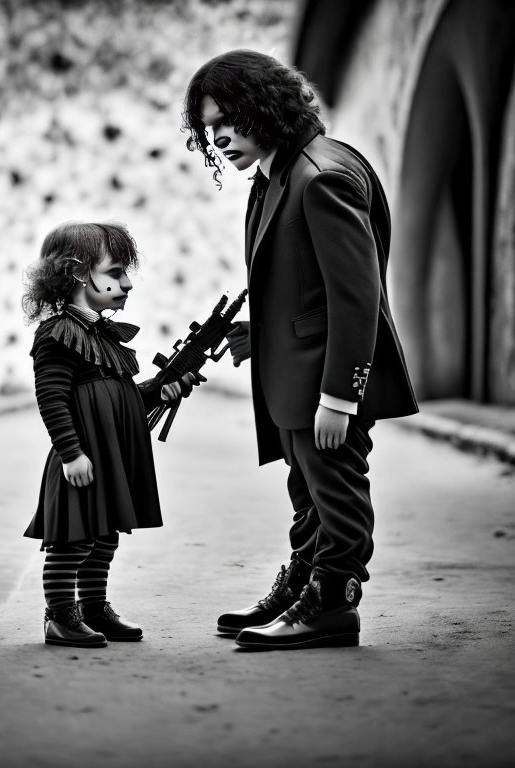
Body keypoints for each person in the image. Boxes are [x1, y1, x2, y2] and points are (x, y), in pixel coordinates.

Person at [182, 50, 418, 650]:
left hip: (323, 384)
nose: (220, 136)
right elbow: (302, 281)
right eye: (210, 128)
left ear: (265, 105)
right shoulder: (280, 171)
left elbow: (356, 298)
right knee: (308, 494)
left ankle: (332, 603)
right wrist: (257, 336)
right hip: (295, 379)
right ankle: (302, 586)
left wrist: (341, 396)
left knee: (335, 492)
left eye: (229, 119)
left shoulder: (321, 176)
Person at [22, 221, 194, 648]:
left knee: (104, 536)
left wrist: (158, 389)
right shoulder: (58, 333)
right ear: (79, 272)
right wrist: (70, 453)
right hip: (84, 452)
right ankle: (60, 615)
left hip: (109, 450)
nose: (127, 282)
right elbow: (52, 396)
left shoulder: (101, 333)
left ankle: (93, 607)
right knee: (73, 536)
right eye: (115, 272)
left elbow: (118, 390)